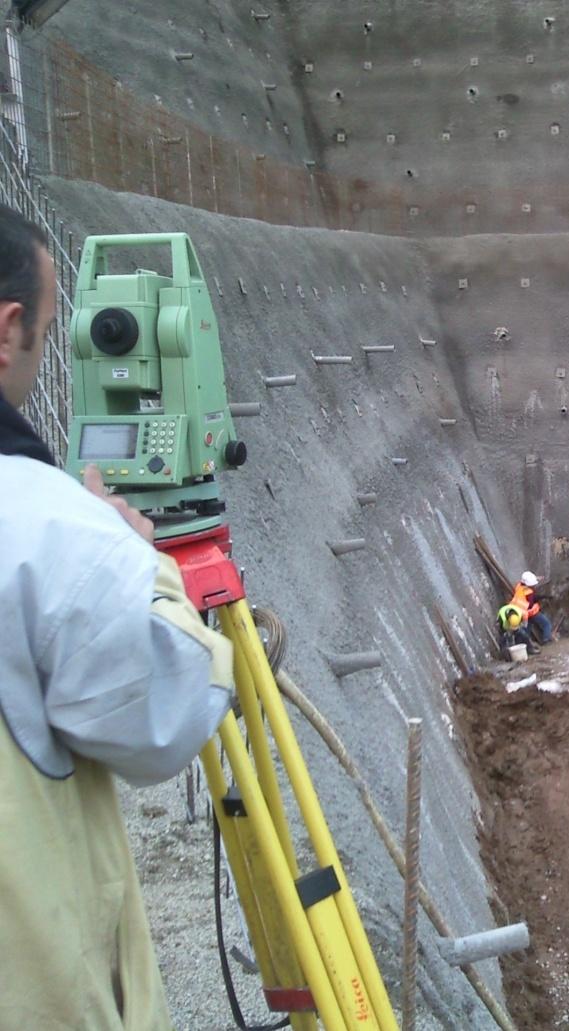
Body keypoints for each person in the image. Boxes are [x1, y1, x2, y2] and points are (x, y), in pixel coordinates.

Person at [0, 204, 234, 1029]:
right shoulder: (48, 526)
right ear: (9, 328)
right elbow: (170, 714)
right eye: (53, 327)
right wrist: (139, 561)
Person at [512, 570, 555, 644]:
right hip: (530, 613)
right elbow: (531, 604)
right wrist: (543, 597)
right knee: (546, 624)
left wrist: (537, 578)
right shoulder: (529, 592)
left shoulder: (519, 586)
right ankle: (547, 639)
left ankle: (525, 645)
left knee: (527, 629)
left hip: (521, 613)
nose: (534, 586)